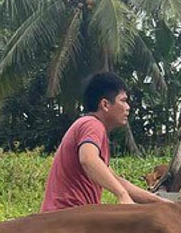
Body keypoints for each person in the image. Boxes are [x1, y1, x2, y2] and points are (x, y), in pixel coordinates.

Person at [41, 72, 166, 212]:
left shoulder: (90, 127)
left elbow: (117, 181)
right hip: (67, 216)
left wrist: (160, 202)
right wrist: (122, 195)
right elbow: (88, 160)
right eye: (123, 101)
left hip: (69, 215)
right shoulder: (92, 125)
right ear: (105, 104)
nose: (128, 107)